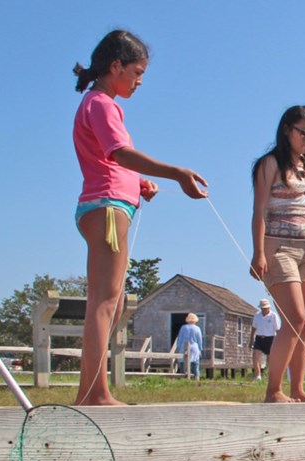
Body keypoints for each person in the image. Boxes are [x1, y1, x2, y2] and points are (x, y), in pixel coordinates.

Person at [71, 30, 209, 405]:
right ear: (115, 66)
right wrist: (177, 173)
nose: (139, 81)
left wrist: (138, 184)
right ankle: (95, 393)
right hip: (108, 208)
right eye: (136, 72)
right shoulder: (102, 104)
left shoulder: (95, 103)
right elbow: (118, 153)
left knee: (111, 303)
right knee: (104, 301)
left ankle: (92, 390)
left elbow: (109, 160)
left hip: (108, 203)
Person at [250, 106, 305, 403]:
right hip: (278, 245)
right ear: (287, 130)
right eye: (303, 133)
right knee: (293, 317)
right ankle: (274, 390)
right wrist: (258, 253)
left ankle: (298, 388)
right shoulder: (269, 164)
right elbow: (259, 211)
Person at [251, 299, 280, 381]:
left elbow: (277, 329)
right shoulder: (257, 315)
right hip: (259, 338)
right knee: (255, 357)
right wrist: (251, 340)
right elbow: (253, 328)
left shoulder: (273, 315)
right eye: (262, 308)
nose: (264, 309)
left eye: (265, 308)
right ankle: (258, 376)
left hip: (270, 338)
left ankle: (271, 376)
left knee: (270, 359)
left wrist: (278, 341)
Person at [174, 313, 203, 378]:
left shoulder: (183, 327)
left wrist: (178, 347)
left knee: (182, 364)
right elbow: (199, 340)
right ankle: (197, 378)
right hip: (194, 347)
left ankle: (183, 377)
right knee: (195, 365)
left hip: (183, 347)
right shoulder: (197, 328)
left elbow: (179, 338)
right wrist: (200, 349)